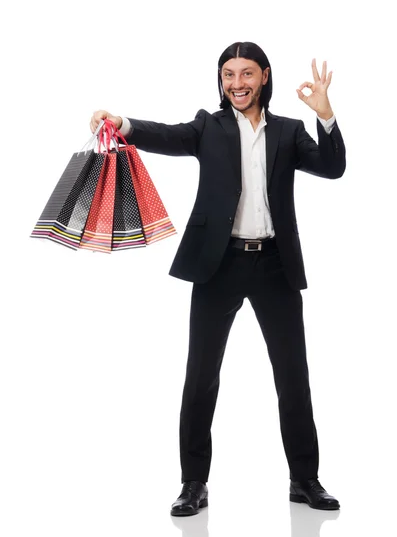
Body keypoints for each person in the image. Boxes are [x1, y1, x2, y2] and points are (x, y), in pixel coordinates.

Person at [90, 41, 346, 516]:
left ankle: (305, 480)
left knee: (294, 377)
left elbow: (333, 168)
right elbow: (167, 135)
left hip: (275, 266)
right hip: (218, 264)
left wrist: (325, 115)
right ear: (220, 80)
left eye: (246, 74)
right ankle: (193, 484)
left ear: (264, 76)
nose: (237, 84)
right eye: (228, 75)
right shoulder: (208, 126)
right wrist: (122, 123)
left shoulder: (289, 132)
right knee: (201, 378)